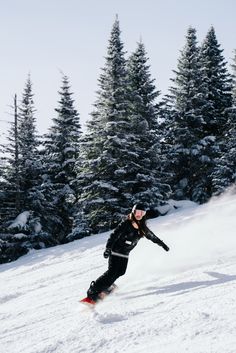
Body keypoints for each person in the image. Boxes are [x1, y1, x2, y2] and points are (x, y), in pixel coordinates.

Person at [86, 203, 170, 303]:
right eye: (137, 212)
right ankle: (93, 290)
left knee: (121, 272)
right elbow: (114, 235)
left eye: (142, 213)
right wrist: (108, 248)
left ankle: (107, 286)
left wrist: (163, 244)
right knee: (111, 272)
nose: (139, 214)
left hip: (125, 253)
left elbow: (152, 237)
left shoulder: (142, 227)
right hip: (116, 251)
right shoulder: (126, 223)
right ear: (133, 212)